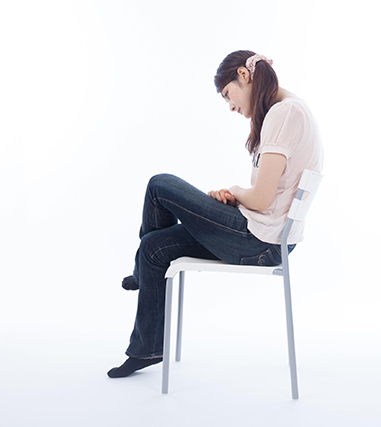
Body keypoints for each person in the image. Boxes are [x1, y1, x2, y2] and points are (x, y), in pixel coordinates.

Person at [107, 50, 324, 378]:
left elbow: (262, 198)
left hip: (259, 241)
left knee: (159, 185)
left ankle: (141, 273)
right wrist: (236, 201)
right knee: (154, 249)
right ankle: (148, 348)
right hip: (263, 236)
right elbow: (268, 197)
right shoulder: (288, 110)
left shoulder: (285, 112)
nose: (231, 106)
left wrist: (234, 191)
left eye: (227, 94)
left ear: (244, 75)